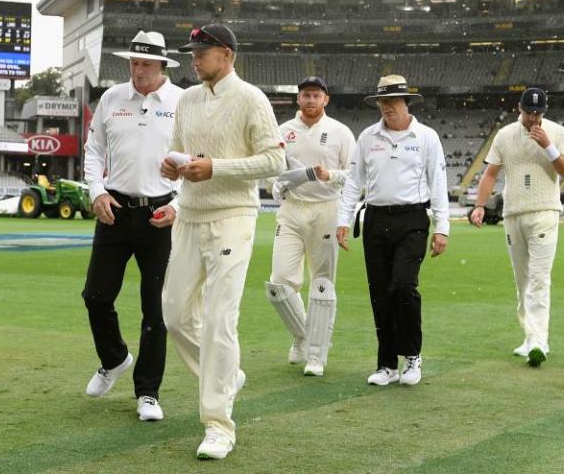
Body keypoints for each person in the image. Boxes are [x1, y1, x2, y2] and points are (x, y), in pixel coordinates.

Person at [160, 24, 285, 460]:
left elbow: (274, 159)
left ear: (226, 54)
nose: (194, 59)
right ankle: (228, 375)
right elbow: (181, 152)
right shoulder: (188, 99)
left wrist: (216, 169)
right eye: (193, 52)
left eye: (202, 52)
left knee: (218, 317)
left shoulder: (252, 99)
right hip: (190, 216)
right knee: (175, 315)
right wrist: (174, 173)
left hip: (233, 217)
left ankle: (218, 424)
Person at [81, 31, 183, 422]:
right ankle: (114, 359)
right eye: (133, 63)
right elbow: (93, 152)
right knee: (95, 296)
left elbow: (195, 159)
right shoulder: (111, 98)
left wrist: (179, 204)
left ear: (162, 66)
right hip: (115, 210)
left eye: (145, 64)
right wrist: (96, 192)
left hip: (161, 215)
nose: (137, 70)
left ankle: (148, 393)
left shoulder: (181, 102)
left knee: (155, 309)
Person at [336, 74, 449, 388]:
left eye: (392, 102)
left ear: (406, 102)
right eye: (382, 102)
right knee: (379, 294)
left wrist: (443, 228)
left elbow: (438, 184)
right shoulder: (368, 137)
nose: (386, 108)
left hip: (412, 220)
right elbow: (353, 183)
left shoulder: (426, 137)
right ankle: (386, 364)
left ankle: (412, 356)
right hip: (374, 220)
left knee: (403, 286)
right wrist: (342, 221)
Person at [469, 87, 564, 368]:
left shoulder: (558, 132)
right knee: (523, 281)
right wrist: (480, 205)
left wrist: (547, 146)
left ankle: (540, 341)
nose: (534, 119)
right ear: (520, 108)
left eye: (539, 112)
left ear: (546, 110)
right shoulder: (504, 135)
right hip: (513, 213)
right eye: (529, 112)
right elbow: (490, 173)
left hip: (545, 212)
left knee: (539, 279)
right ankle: (530, 337)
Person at [265, 76, 355, 377]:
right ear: (298, 99)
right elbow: (272, 171)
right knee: (278, 284)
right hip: (292, 210)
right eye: (306, 95)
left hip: (326, 208)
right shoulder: (283, 132)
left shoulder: (340, 132)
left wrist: (329, 175)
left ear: (325, 99)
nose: (311, 100)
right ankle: (304, 335)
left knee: (322, 282)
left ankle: (316, 354)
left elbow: (355, 175)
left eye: (316, 95)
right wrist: (276, 189)